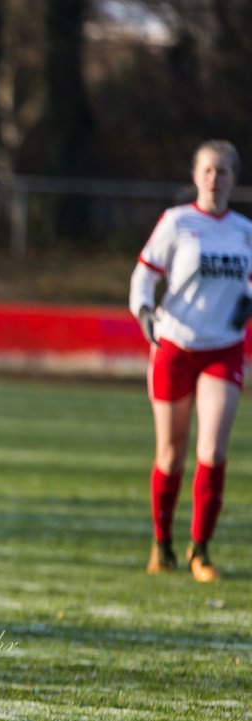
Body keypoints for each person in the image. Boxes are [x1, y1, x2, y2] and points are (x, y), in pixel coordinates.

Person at [130, 139, 252, 582]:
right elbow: (144, 274)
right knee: (170, 453)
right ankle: (162, 545)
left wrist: (248, 303)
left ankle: (201, 550)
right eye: (208, 171)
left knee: (213, 450)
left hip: (223, 349)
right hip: (174, 347)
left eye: (223, 171)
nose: (215, 179)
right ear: (195, 176)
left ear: (235, 178)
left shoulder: (244, 231)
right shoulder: (177, 223)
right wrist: (143, 310)